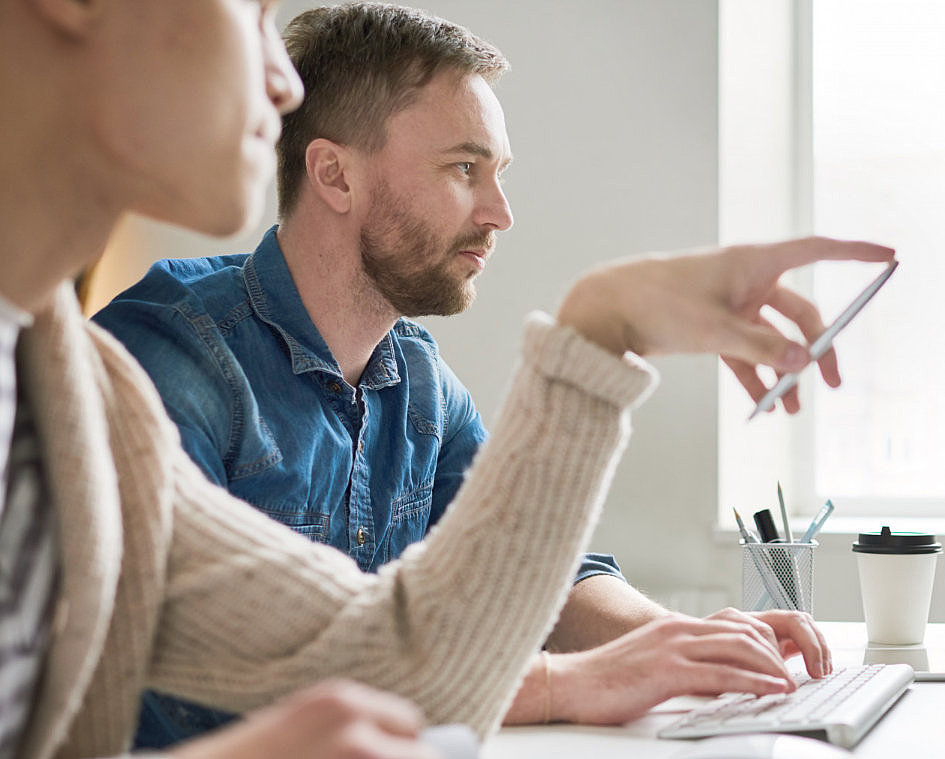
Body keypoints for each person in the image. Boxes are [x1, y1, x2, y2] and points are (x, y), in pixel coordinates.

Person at [0, 1, 894, 758]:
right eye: (254, 11)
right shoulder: (166, 361)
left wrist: (602, 332)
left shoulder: (87, 407)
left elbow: (404, 647)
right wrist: (573, 680)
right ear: (334, 174)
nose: (281, 85)